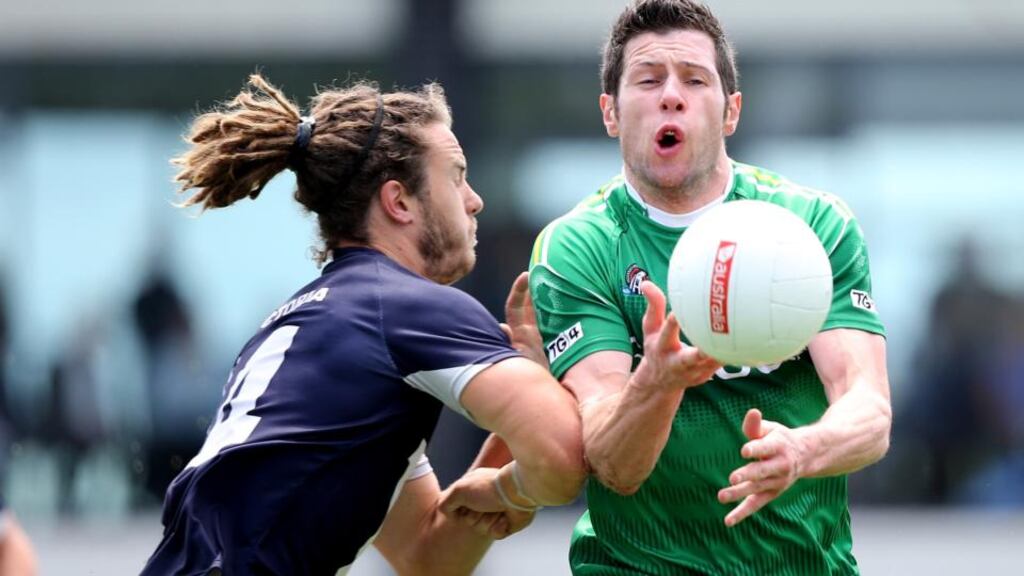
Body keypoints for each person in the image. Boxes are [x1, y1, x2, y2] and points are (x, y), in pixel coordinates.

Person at [141, 75, 586, 576]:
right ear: (399, 202)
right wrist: (514, 485)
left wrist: (509, 444)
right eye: (456, 176)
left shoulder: (317, 326)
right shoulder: (407, 307)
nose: (474, 200)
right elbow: (564, 455)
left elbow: (428, 557)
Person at [525, 1, 892, 573]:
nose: (672, 95)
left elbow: (868, 412)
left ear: (730, 112)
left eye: (695, 80)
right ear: (611, 113)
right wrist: (659, 382)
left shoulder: (811, 226)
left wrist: (801, 450)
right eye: (648, 80)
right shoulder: (579, 247)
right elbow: (611, 463)